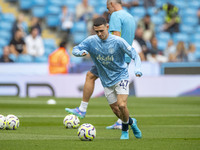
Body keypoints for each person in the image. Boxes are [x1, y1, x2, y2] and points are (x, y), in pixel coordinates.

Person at [65, 0, 137, 130]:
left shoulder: (115, 16)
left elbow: (115, 37)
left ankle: (82, 109)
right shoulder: (130, 17)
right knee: (116, 96)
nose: (108, 11)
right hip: (125, 57)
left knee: (90, 76)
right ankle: (122, 121)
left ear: (112, 5)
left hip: (114, 57)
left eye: (108, 8)